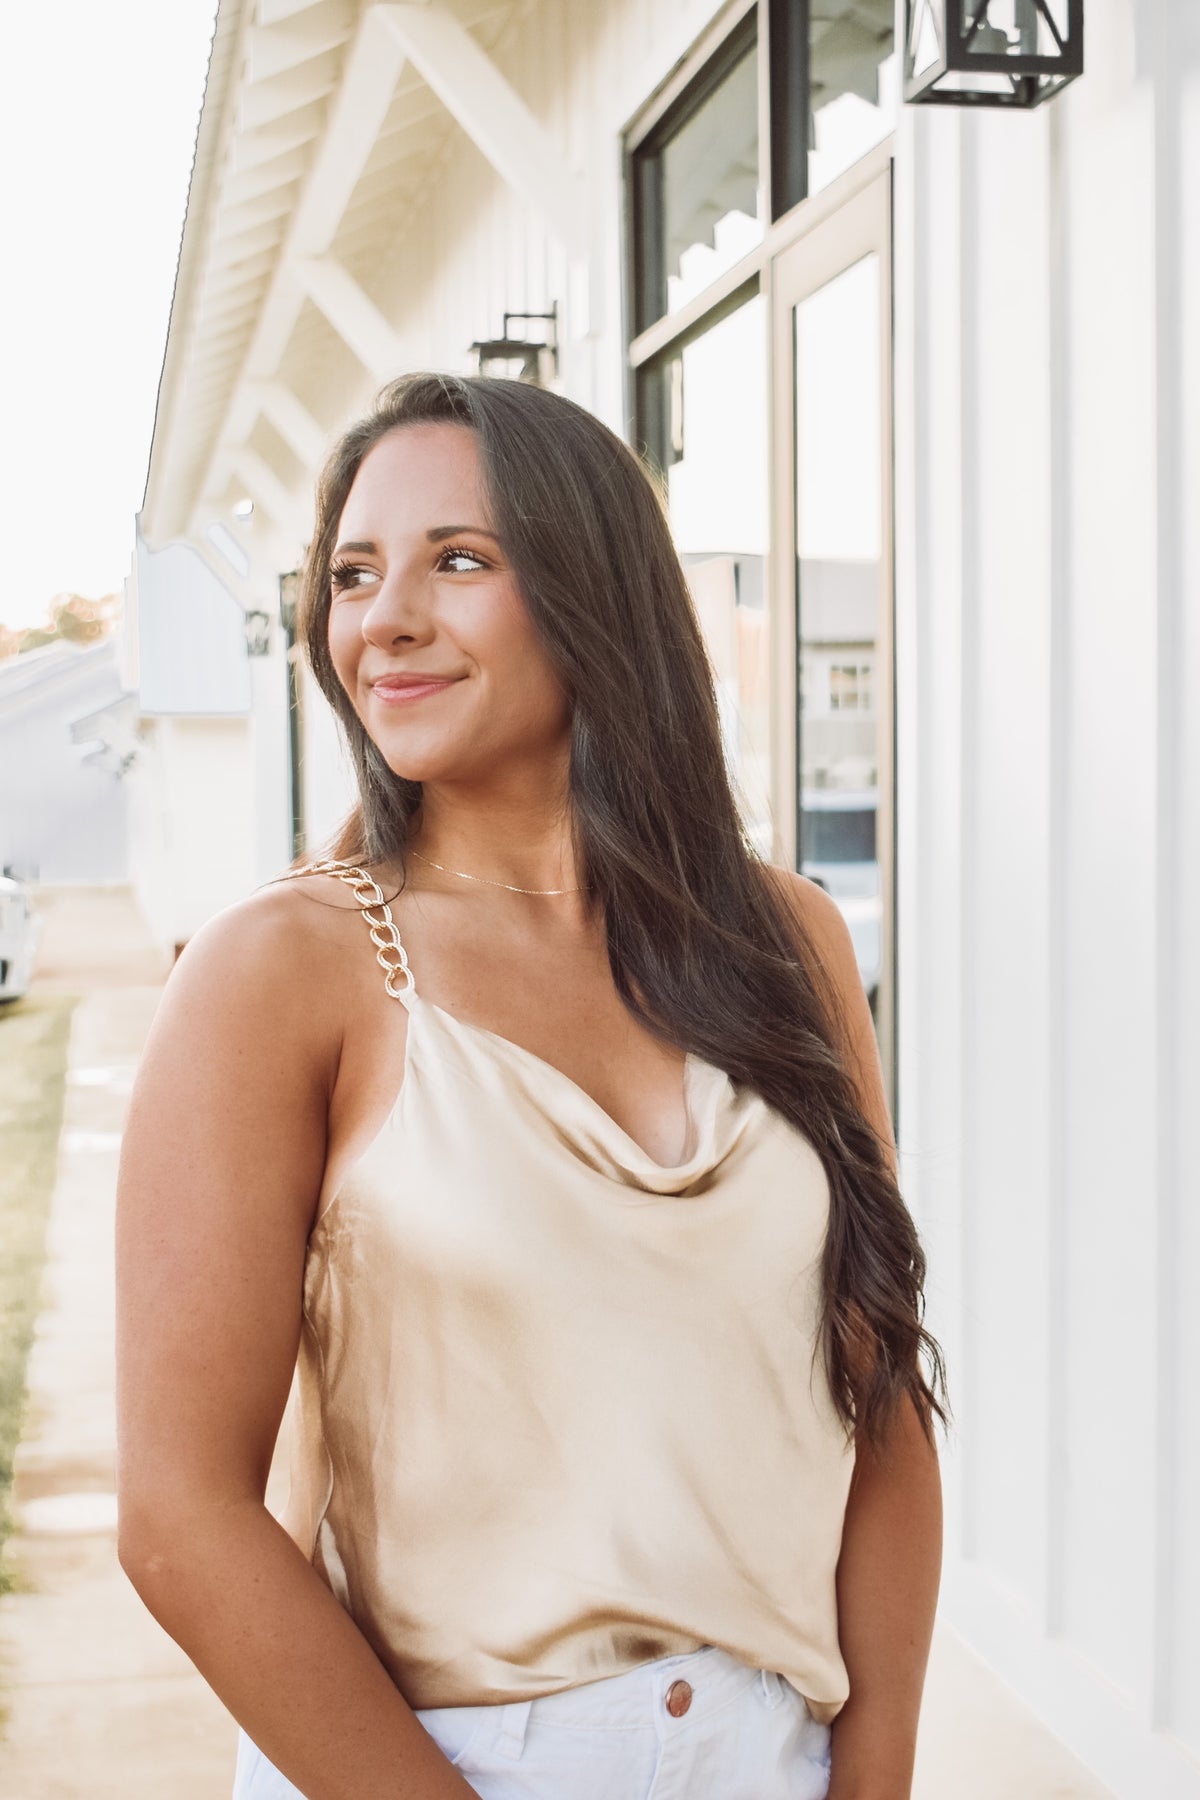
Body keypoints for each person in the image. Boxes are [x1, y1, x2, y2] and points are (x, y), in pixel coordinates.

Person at [115, 371, 949, 1800]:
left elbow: (876, 1402)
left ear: (593, 591)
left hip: (770, 1754)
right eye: (355, 574)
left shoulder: (785, 940)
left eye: (459, 560)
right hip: (427, 1766)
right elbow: (182, 1517)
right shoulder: (282, 971)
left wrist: (872, 1779)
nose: (384, 619)